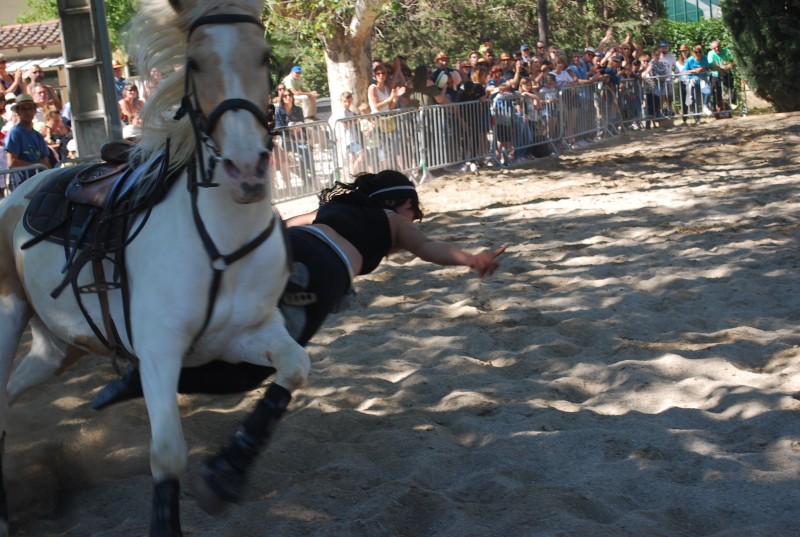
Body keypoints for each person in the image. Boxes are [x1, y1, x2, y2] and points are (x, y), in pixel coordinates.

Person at [90, 170, 506, 412]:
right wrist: (472, 257)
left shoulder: (334, 207)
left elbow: (286, 227)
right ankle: (149, 378)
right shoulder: (393, 221)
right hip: (326, 267)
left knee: (227, 307)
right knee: (259, 366)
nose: (417, 219)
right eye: (416, 210)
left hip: (290, 248)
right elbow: (427, 248)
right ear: (399, 202)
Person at [4, 93, 52, 190]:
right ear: (17, 111)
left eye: (30, 108)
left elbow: (46, 161)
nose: (28, 112)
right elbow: (12, 162)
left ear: (35, 111)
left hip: (39, 183)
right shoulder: (15, 133)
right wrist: (38, 165)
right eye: (24, 108)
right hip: (22, 186)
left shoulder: (38, 136)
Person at [707, 39, 737, 109]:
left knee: (732, 88)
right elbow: (710, 65)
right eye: (714, 48)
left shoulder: (726, 51)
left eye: (718, 46)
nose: (717, 49)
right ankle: (717, 108)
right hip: (715, 74)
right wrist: (720, 68)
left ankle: (733, 104)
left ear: (720, 45)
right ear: (712, 48)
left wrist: (727, 66)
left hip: (726, 73)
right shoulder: (710, 54)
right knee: (715, 91)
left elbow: (733, 61)